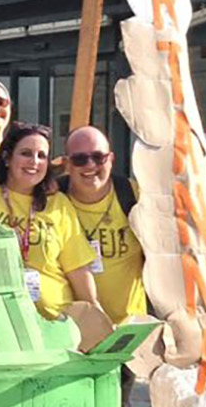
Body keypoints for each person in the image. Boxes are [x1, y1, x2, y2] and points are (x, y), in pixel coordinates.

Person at [0, 122, 100, 320]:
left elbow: (77, 268)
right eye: (26, 153)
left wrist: (95, 311)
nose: (34, 162)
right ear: (8, 158)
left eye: (41, 156)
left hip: (56, 321)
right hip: (0, 320)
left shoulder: (58, 204)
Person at [63, 125, 148, 320]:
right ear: (67, 164)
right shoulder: (53, 201)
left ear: (111, 159)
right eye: (79, 159)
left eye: (98, 157)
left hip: (130, 328)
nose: (90, 165)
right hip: (75, 330)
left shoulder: (134, 196)